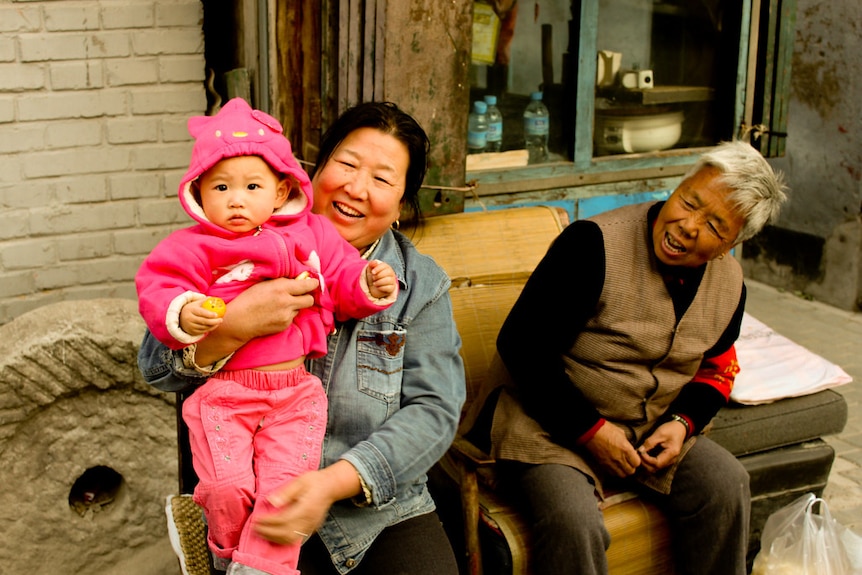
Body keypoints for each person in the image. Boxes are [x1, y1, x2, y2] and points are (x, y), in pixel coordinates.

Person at [137, 101, 466, 575]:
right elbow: (154, 367)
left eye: (382, 179)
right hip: (255, 500)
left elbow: (434, 411)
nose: (355, 188)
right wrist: (233, 326)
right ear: (312, 172)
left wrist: (333, 483)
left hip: (374, 508)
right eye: (346, 164)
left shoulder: (419, 284)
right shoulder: (228, 242)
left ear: (400, 206)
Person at [461, 140, 787, 575]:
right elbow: (523, 346)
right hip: (547, 425)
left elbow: (718, 367)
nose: (688, 225)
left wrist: (681, 424)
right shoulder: (591, 245)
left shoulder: (729, 284)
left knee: (726, 485)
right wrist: (591, 431)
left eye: (714, 225)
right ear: (679, 186)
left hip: (649, 427)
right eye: (688, 201)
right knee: (571, 520)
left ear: (731, 244)